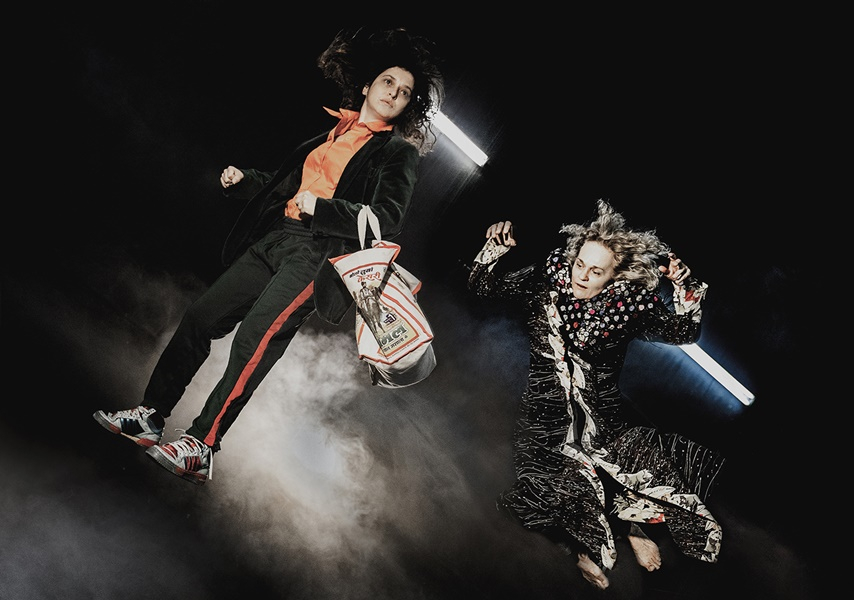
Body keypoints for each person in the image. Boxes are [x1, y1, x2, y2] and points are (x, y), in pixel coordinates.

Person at [92, 27, 445, 485]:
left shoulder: (397, 153)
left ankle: (201, 444)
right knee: (201, 317)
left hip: (317, 255)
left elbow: (387, 218)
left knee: (254, 340)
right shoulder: (331, 134)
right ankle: (150, 416)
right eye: (388, 82)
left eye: (404, 92)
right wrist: (244, 181)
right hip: (277, 238)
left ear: (406, 105)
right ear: (366, 86)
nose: (394, 93)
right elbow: (287, 188)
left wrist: (326, 210)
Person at [467, 200, 725, 590]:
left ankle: (632, 528)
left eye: (596, 272)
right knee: (543, 486)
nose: (582, 277)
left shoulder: (628, 305)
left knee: (624, 471)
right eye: (580, 265)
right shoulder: (549, 278)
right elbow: (483, 287)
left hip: (601, 414)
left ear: (614, 277)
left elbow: (683, 332)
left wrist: (684, 287)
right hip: (546, 409)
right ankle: (582, 550)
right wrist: (495, 249)